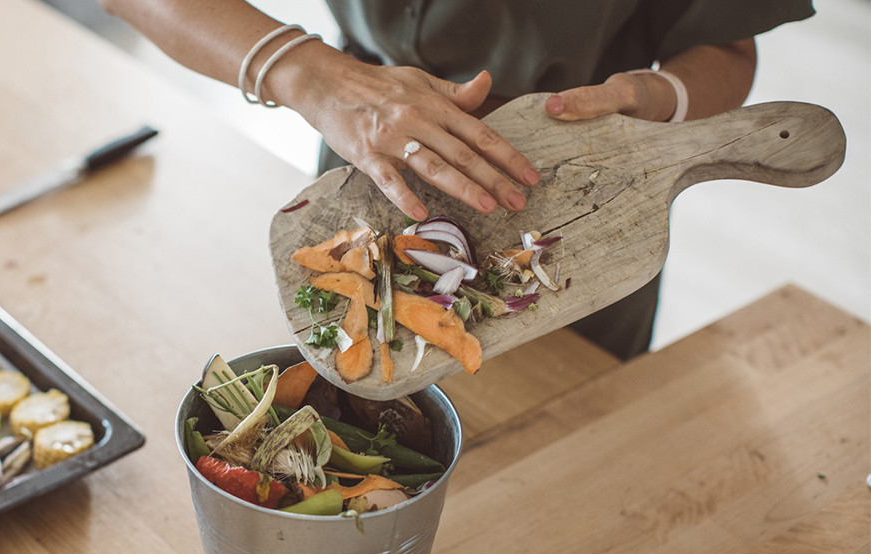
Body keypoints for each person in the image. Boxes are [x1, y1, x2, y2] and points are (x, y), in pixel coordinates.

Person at [100, 0, 814, 359]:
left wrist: (654, 103)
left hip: (584, 203)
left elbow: (724, 38)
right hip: (368, 168)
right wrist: (311, 75)